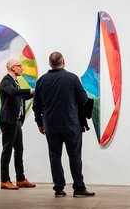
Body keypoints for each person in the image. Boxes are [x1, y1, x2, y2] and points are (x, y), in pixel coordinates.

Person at [32, 51, 94, 197]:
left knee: (55, 156)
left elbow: (36, 106)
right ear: (63, 61)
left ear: (49, 64)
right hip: (71, 125)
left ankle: (59, 189)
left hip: (51, 126)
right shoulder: (72, 79)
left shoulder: (41, 81)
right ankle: (79, 188)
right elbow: (83, 99)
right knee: (75, 156)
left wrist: (40, 123)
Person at [0, 58, 36, 190]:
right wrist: (30, 91)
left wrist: (35, 93)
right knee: (7, 150)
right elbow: (13, 93)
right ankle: (5, 180)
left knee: (19, 149)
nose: (22, 68)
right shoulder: (6, 81)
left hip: (16, 121)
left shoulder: (15, 82)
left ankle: (20, 178)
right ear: (12, 68)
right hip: (8, 121)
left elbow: (21, 97)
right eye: (20, 66)